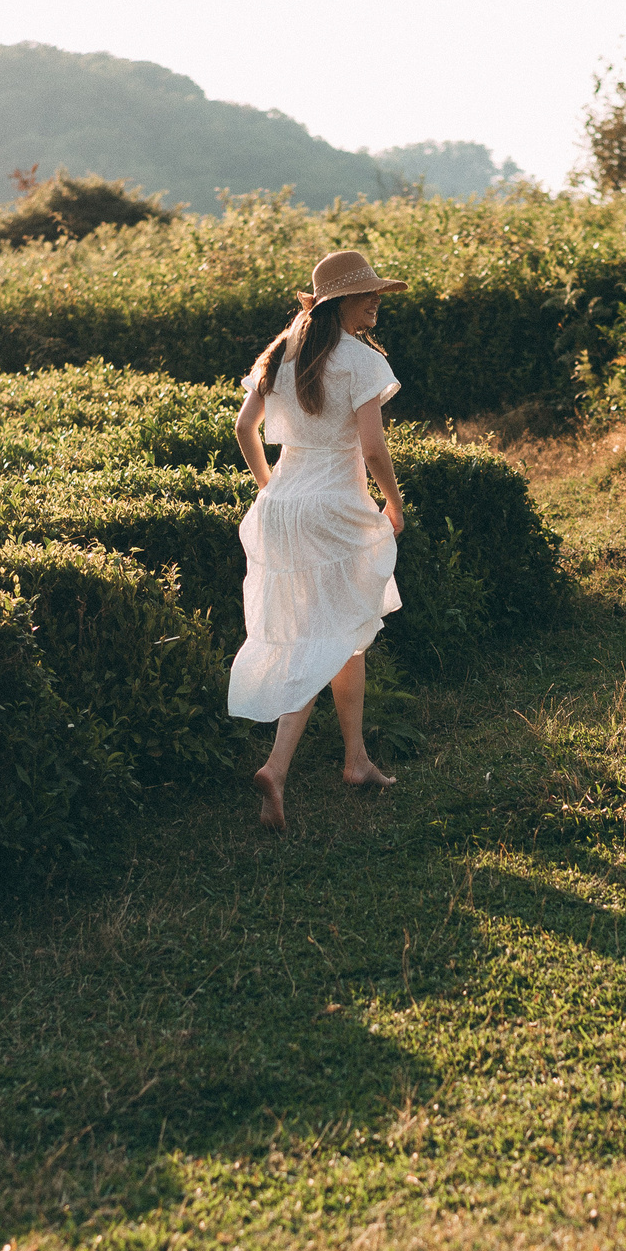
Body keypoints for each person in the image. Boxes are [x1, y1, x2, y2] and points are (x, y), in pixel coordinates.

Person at [229, 250, 410, 830]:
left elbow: (242, 428)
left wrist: (272, 489)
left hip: (282, 506)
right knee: (325, 636)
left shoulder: (282, 353)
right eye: (367, 294)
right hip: (334, 509)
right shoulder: (360, 361)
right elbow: (375, 449)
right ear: (339, 303)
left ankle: (356, 760)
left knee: (343, 632)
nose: (376, 300)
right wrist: (395, 503)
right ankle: (277, 767)